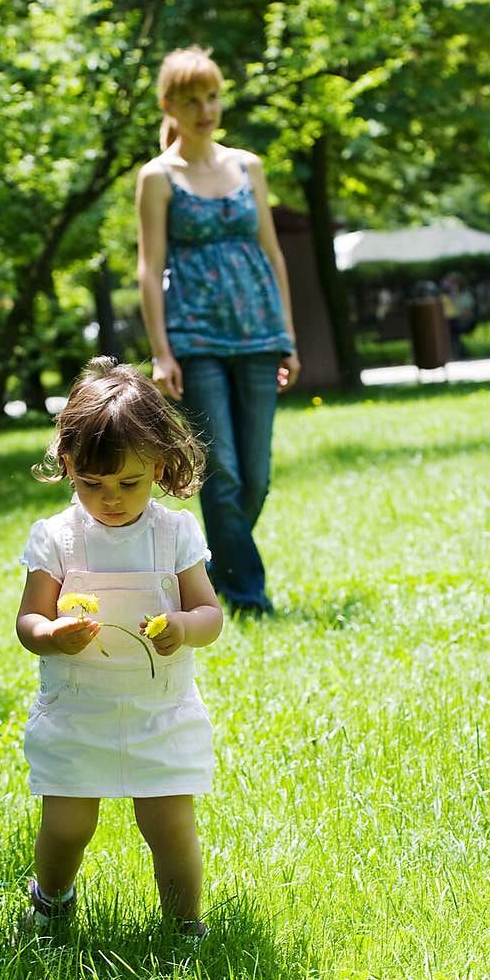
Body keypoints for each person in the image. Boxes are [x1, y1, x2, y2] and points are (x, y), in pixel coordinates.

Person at [15, 355, 224, 940]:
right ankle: (50, 903)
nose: (110, 499)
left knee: (169, 823)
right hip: (80, 710)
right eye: (92, 484)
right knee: (66, 823)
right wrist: (52, 635)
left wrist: (184, 626)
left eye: (128, 483)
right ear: (68, 466)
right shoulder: (57, 538)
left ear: (158, 465)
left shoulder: (174, 532)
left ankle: (185, 927)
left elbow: (210, 614)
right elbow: (28, 621)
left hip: (159, 709)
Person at [136, 44, 300, 616]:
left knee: (255, 477)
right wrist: (162, 351)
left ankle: (203, 570)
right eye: (191, 99)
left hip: (258, 334)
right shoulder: (157, 178)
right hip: (196, 339)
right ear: (168, 105)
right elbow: (149, 269)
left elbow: (274, 255)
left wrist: (288, 336)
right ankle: (247, 598)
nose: (205, 109)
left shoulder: (248, 166)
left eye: (212, 96)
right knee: (222, 471)